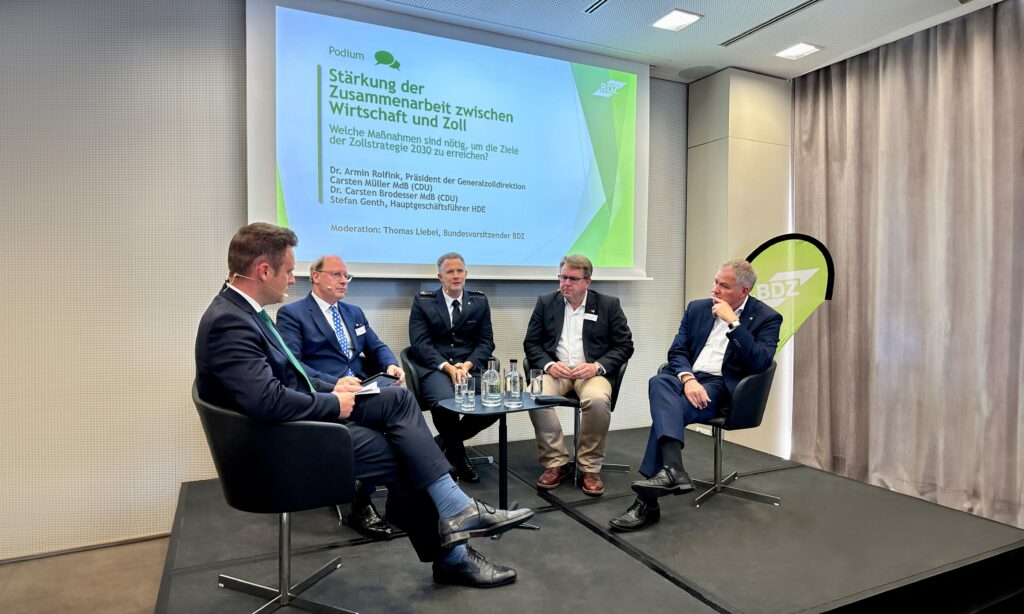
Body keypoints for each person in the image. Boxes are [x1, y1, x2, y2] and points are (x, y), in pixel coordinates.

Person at [195, 223, 533, 587]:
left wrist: (334, 387)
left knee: (400, 402)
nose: (292, 279)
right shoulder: (231, 322)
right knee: (408, 454)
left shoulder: (244, 313)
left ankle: (454, 518)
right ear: (264, 271)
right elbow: (267, 400)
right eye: (289, 271)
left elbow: (291, 376)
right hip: (278, 443)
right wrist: (332, 403)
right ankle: (454, 546)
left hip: (293, 423)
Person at [609, 259, 782, 532]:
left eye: (723, 286)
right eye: (715, 282)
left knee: (667, 415)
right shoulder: (697, 308)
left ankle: (648, 501)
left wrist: (734, 323)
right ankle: (673, 470)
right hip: (688, 378)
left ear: (744, 291)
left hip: (719, 386)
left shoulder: (767, 318)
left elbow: (760, 362)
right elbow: (677, 351)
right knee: (659, 381)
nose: (715, 289)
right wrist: (688, 379)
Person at [276, 254, 404, 540]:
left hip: (362, 387)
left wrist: (390, 364)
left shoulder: (353, 312)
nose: (344, 281)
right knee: (385, 419)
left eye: (347, 276)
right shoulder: (293, 314)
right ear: (315, 276)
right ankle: (361, 503)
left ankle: (401, 495)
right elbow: (294, 366)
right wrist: (335, 384)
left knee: (401, 403)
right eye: (337, 274)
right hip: (328, 393)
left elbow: (377, 346)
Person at [523, 254, 634, 496]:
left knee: (597, 400)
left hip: (590, 373)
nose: (565, 283)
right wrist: (549, 365)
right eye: (562, 277)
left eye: (572, 279)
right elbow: (531, 343)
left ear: (587, 281)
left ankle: (589, 467)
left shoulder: (608, 305)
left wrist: (597, 367)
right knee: (534, 395)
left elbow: (625, 345)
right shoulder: (546, 302)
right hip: (558, 371)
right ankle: (556, 462)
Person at [407, 252, 499, 483]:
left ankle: (444, 442)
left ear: (466, 274)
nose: (456, 276)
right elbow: (420, 344)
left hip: (468, 368)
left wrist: (467, 364)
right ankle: (458, 456)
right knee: (445, 403)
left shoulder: (479, 301)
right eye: (450, 272)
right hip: (436, 369)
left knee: (496, 403)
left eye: (460, 271)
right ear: (440, 277)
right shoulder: (423, 302)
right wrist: (448, 367)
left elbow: (486, 342)